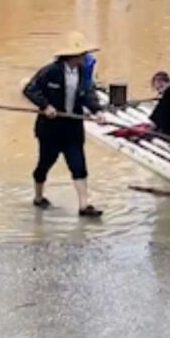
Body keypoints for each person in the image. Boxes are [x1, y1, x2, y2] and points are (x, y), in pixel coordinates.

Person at [22, 31, 108, 217]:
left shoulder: (84, 72)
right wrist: (46, 106)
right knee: (45, 164)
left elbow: (88, 94)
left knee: (78, 165)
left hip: (73, 127)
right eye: (82, 54)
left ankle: (84, 206)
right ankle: (38, 197)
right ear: (72, 55)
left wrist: (98, 111)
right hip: (50, 128)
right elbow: (30, 89)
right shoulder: (50, 71)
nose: (85, 57)